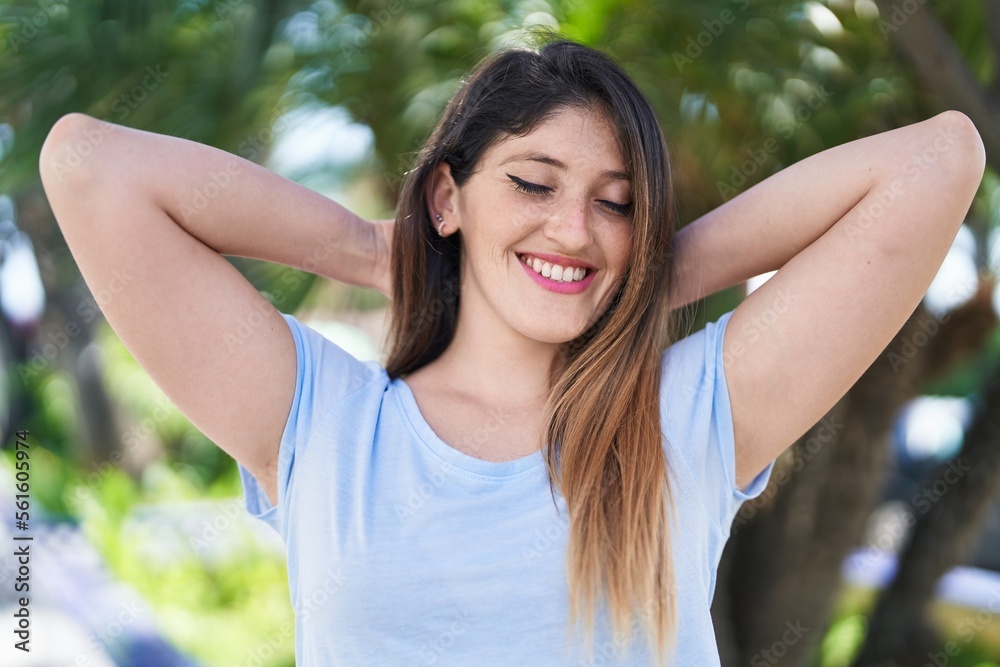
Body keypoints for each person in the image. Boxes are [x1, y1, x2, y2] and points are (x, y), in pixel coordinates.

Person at [38, 34, 984, 666]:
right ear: (447, 198)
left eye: (617, 202)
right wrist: (378, 248)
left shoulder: (687, 417)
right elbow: (88, 165)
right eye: (534, 183)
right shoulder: (323, 421)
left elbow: (937, 160)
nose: (573, 228)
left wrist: (646, 272)